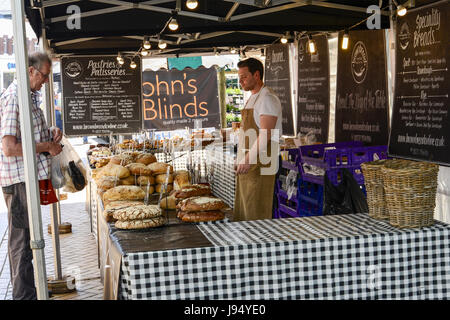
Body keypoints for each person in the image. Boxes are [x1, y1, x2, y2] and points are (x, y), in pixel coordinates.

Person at [0, 51, 63, 300]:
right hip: (18, 183)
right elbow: (9, 147)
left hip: (27, 180)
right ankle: (23, 296)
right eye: (44, 75)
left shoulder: (29, 97)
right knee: (22, 242)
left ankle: (30, 291)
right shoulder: (16, 98)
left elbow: (27, 136)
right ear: (30, 71)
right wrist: (47, 147)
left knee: (28, 239)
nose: (46, 81)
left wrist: (49, 133)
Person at [234, 58, 282, 221]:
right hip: (250, 165)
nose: (241, 81)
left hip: (261, 164)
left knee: (257, 213)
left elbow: (266, 134)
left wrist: (247, 159)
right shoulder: (253, 97)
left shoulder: (267, 98)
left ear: (257, 75)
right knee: (245, 212)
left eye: (244, 76)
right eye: (239, 77)